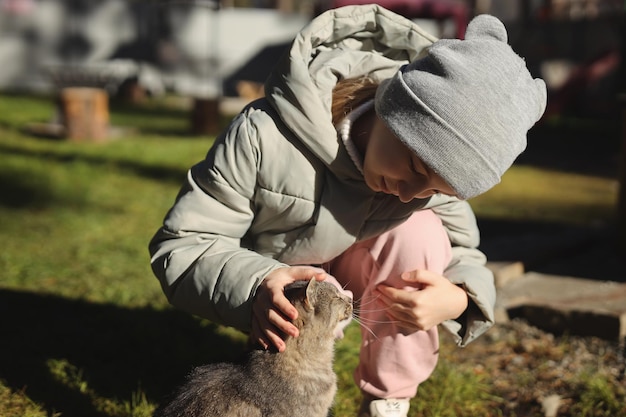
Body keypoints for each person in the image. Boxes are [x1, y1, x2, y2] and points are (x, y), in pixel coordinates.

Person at [149, 5, 546, 417]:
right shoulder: (266, 135)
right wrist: (256, 285)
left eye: (435, 189)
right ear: (392, 110)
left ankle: (386, 400)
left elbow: (463, 251)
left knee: (422, 234)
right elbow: (184, 244)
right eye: (414, 168)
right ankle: (277, 369)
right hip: (283, 291)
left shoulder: (422, 185)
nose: (411, 194)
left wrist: (460, 298)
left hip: (355, 281)